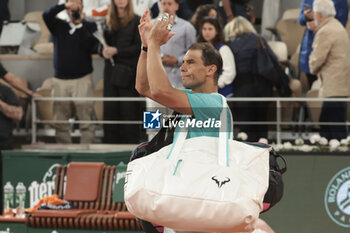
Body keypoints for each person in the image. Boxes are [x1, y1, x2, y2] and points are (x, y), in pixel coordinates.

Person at [43, 0, 99, 144]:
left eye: (77, 4)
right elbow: (46, 15)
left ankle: (87, 155)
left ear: (82, 6)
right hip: (60, 80)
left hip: (82, 79)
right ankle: (64, 154)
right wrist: (64, 5)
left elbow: (91, 46)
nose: (74, 8)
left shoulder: (89, 26)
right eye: (71, 5)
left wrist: (80, 25)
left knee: (86, 120)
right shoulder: (58, 25)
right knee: (60, 121)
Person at [224, 16, 276, 142]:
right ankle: (265, 149)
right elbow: (273, 59)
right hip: (262, 85)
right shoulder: (259, 39)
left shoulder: (229, 44)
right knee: (262, 120)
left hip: (242, 86)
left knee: (245, 123)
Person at [309, 0, 350, 140]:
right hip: (338, 87)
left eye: (314, 14)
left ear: (319, 14)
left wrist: (312, 67)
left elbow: (316, 60)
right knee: (331, 126)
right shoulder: (338, 26)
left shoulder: (325, 31)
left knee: (332, 130)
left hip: (333, 87)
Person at [101, 0, 142, 143]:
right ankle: (110, 143)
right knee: (110, 109)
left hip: (129, 72)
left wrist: (117, 50)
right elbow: (99, 45)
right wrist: (103, 51)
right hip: (111, 71)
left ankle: (130, 146)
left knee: (128, 110)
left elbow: (138, 47)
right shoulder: (107, 20)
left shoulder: (137, 20)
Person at [298, 0, 348, 89]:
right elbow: (300, 19)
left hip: (331, 46)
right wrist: (306, 17)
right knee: (312, 84)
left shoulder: (341, 1)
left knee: (330, 87)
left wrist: (319, 24)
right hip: (310, 45)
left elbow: (341, 24)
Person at [197, 16, 235, 97]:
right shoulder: (198, 49)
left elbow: (230, 73)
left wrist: (215, 86)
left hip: (222, 93)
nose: (206, 32)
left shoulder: (223, 49)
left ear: (217, 31)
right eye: (204, 29)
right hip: (202, 93)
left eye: (210, 29)